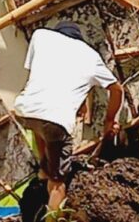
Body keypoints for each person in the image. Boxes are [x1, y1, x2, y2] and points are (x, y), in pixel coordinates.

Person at [14, 22, 125, 220]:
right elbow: (117, 89)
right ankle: (52, 210)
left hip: (26, 111)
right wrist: (109, 120)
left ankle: (43, 173)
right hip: (54, 119)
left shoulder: (41, 36)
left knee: (44, 143)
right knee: (58, 183)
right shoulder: (90, 55)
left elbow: (50, 76)